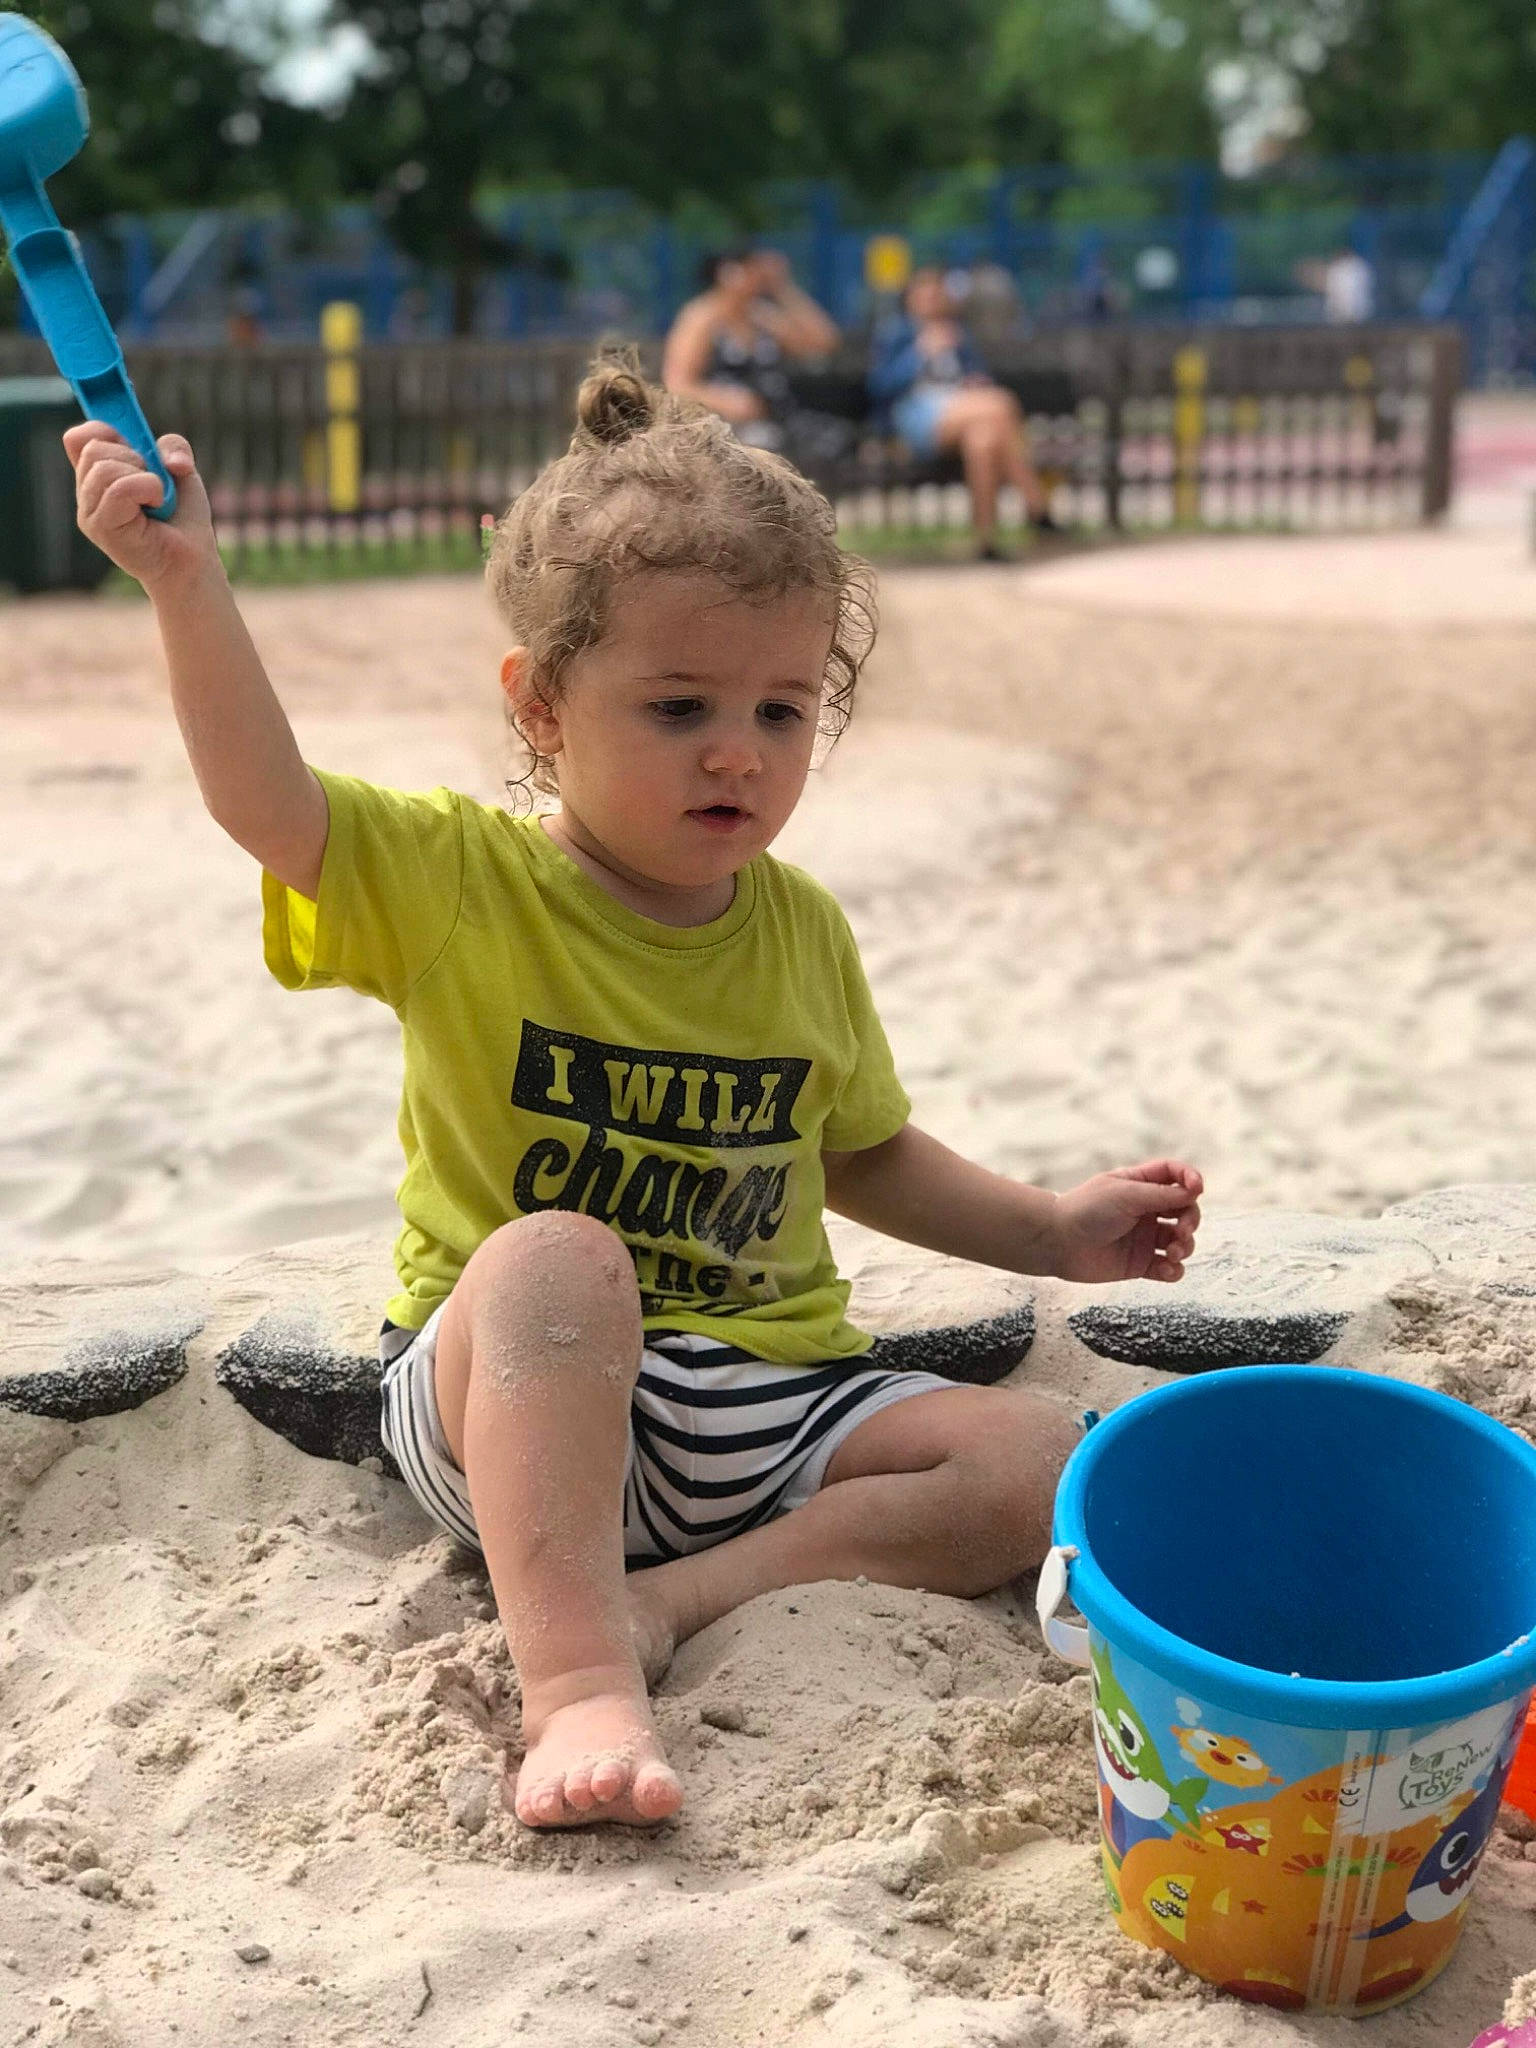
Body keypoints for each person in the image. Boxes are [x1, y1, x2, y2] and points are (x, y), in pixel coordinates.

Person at [64, 357, 1203, 1835]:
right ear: (541, 707)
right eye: (679, 706)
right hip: (517, 1395)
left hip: (760, 1396)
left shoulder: (797, 928)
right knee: (556, 1254)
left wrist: (1053, 1229)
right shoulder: (466, 879)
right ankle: (582, 1675)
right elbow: (264, 800)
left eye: (784, 711)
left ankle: (675, 1597)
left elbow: (859, 1150)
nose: (739, 750)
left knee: (1044, 1460)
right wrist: (183, 584)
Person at [869, 266, 1059, 558]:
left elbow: (976, 375)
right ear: (910, 299)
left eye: (937, 293)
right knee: (1000, 403)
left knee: (983, 440)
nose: (932, 300)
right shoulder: (898, 333)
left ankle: (986, 541)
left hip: (965, 410)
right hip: (918, 414)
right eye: (925, 294)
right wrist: (919, 353)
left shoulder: (958, 333)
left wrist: (974, 381)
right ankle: (1037, 508)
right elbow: (881, 386)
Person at [661, 245, 848, 467]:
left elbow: (825, 342)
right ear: (727, 272)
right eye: (750, 269)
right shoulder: (701, 317)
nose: (757, 276)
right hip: (726, 426)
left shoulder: (760, 316)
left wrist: (784, 288)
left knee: (836, 440)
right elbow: (677, 383)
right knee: (765, 447)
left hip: (779, 417)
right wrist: (728, 401)